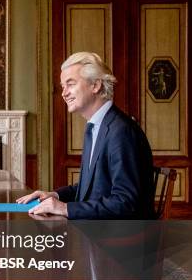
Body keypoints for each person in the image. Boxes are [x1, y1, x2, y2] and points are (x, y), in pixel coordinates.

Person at [17, 52, 155, 219]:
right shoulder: (97, 126)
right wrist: (54, 196)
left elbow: (125, 202)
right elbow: (90, 188)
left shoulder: (122, 131)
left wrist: (66, 209)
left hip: (119, 240)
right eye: (62, 86)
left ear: (95, 86)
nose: (64, 93)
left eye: (70, 84)